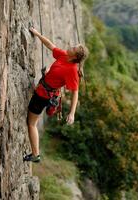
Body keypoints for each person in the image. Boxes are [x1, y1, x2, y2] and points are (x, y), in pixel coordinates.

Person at [23, 27, 89, 163]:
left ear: (75, 56)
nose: (70, 47)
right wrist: (37, 34)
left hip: (43, 96)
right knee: (31, 122)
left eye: (73, 48)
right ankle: (36, 154)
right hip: (43, 90)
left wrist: (72, 113)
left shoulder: (72, 71)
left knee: (31, 124)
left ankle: (36, 155)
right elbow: (50, 46)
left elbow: (75, 92)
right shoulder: (65, 56)